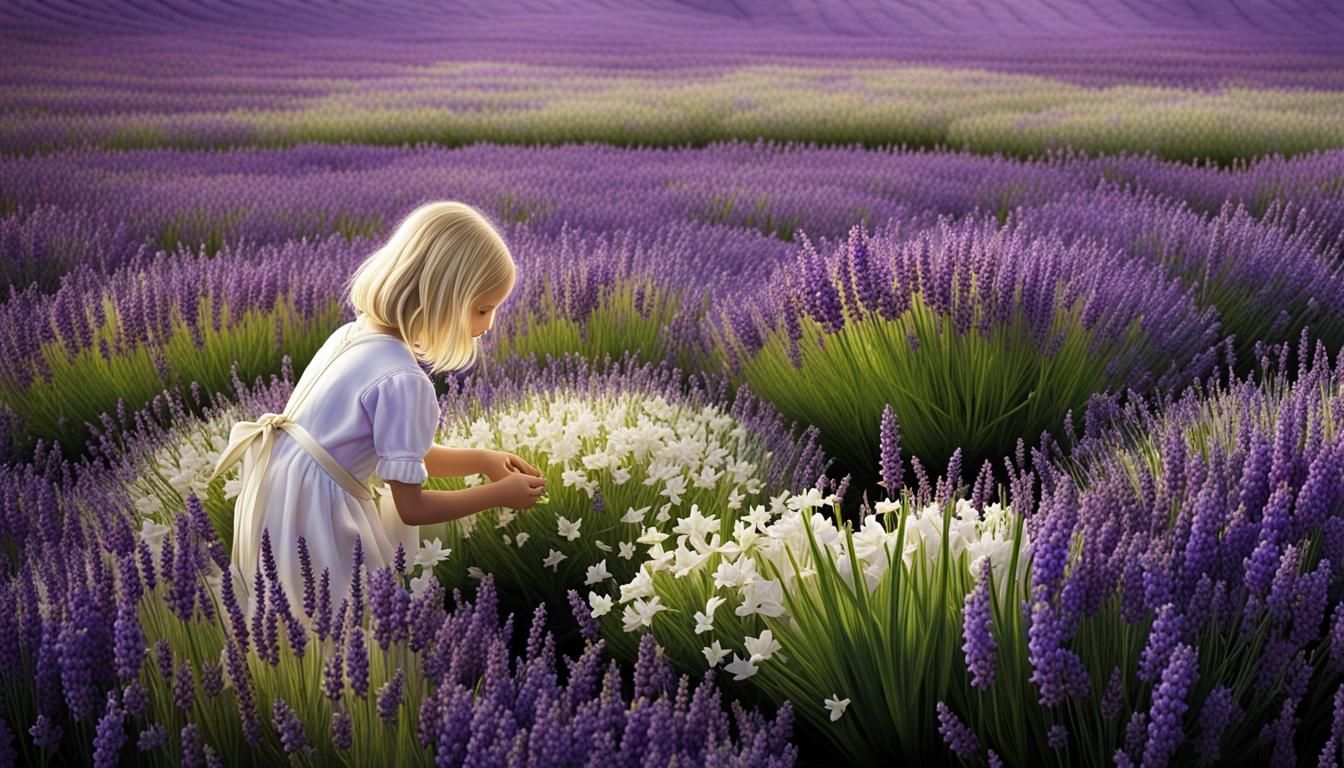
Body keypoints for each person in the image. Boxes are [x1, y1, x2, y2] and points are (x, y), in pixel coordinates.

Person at [209, 201, 547, 619]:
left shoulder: (352, 335)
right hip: (320, 517)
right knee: (349, 625)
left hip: (281, 496)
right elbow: (413, 506)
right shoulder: (404, 380)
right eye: (483, 308)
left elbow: (399, 451)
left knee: (288, 623)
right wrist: (497, 494)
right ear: (443, 299)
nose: (489, 324)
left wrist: (482, 460)